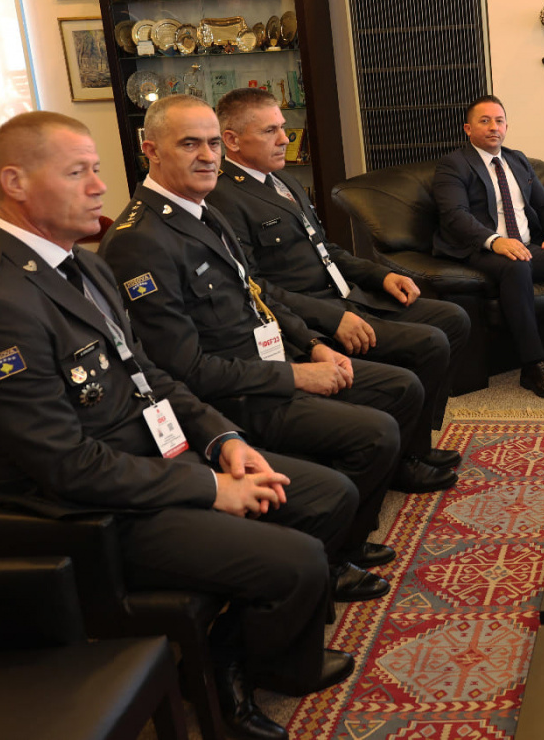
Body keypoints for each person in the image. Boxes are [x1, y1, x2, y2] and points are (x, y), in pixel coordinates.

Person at [0, 111, 361, 740]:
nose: (99, 185)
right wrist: (211, 488)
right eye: (77, 173)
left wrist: (222, 439)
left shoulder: (83, 266)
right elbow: (65, 465)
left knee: (327, 495)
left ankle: (253, 654)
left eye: (96, 169)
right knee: (296, 562)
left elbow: (149, 375)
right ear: (15, 183)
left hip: (152, 461)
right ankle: (224, 672)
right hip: (87, 514)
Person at [100, 95, 457, 592]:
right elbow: (187, 370)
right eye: (189, 144)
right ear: (151, 151)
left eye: (211, 144)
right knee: (375, 432)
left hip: (268, 362)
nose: (207, 156)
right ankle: (328, 561)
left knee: (400, 389)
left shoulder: (201, 211)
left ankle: (345, 540)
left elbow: (256, 295)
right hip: (235, 396)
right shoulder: (140, 239)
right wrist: (296, 374)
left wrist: (312, 345)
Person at [207, 88, 471, 465]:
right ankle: (408, 459)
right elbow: (256, 287)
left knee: (453, 318)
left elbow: (325, 248)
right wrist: (332, 319)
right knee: (430, 342)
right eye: (270, 131)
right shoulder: (223, 197)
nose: (285, 138)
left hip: (349, 296)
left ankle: (416, 439)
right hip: (313, 315)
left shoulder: (282, 181)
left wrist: (381, 276)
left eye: (282, 127)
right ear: (232, 141)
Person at [431, 94, 544, 399]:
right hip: (481, 249)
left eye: (499, 120)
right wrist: (496, 241)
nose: (494, 127)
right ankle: (533, 366)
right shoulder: (453, 165)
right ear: (468, 128)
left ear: (506, 126)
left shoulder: (517, 160)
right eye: (485, 121)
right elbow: (454, 216)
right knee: (516, 265)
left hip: (526, 246)